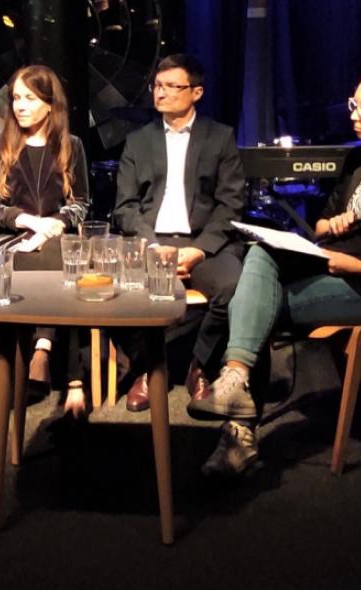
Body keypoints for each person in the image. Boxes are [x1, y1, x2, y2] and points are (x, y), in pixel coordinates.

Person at [189, 58, 361, 476]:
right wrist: (335, 224)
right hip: (337, 270)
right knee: (260, 255)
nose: (355, 115)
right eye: (354, 105)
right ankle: (235, 379)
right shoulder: (358, 162)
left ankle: (238, 434)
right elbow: (323, 224)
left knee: (255, 307)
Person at [112, 53, 245, 411]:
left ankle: (198, 365)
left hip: (202, 244)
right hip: (151, 242)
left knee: (233, 287)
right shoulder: (138, 141)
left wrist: (199, 250)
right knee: (113, 289)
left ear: (196, 92)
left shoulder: (220, 138)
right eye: (158, 86)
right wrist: (152, 246)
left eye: (172, 86)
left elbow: (231, 205)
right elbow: (125, 206)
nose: (161, 92)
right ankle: (147, 368)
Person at [0, 65, 90, 417]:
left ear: (50, 104)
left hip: (54, 240)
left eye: (30, 98)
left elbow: (80, 204)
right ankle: (72, 380)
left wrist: (50, 227)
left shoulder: (71, 145)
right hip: (10, 243)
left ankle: (43, 349)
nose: (20, 106)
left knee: (60, 261)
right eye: (16, 98)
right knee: (57, 264)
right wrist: (28, 222)